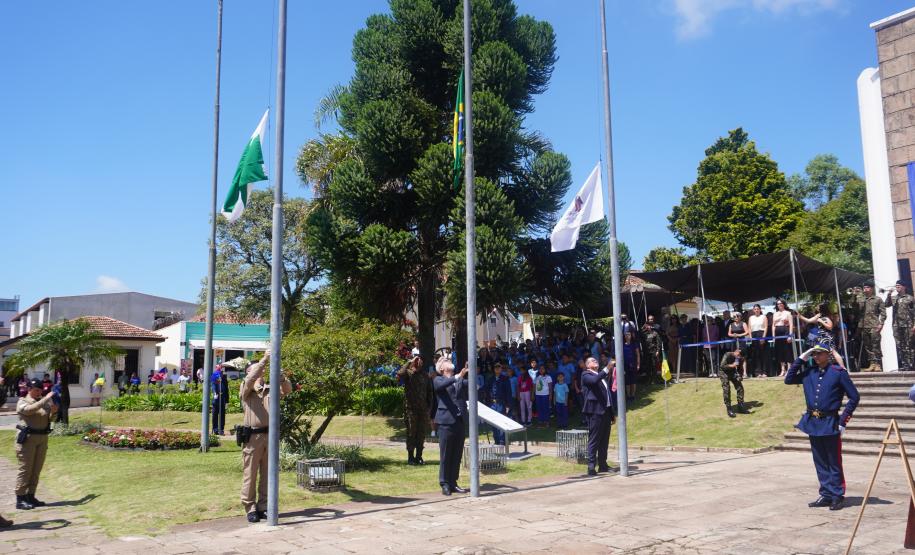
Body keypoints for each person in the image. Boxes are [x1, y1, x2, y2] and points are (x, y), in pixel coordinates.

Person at [785, 344, 860, 511]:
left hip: (830, 422)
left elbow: (854, 397)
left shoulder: (838, 373)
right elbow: (788, 379)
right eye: (814, 354)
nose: (816, 356)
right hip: (813, 422)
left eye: (819, 354)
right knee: (819, 460)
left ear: (828, 355)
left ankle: (837, 495)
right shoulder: (810, 371)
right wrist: (801, 358)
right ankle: (826, 493)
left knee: (833, 461)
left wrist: (842, 422)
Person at [239, 350, 292, 523]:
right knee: (250, 474)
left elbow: (288, 389)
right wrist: (264, 360)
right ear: (249, 373)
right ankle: (250, 507)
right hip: (252, 438)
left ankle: (263, 507)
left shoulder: (271, 389)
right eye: (257, 371)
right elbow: (250, 379)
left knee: (268, 474)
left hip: (270, 436)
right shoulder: (246, 390)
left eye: (262, 372)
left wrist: (281, 375)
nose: (261, 373)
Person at [15, 378, 58, 510]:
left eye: (41, 390)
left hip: (42, 438)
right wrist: (45, 399)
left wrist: (54, 412)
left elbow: (49, 419)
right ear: (29, 389)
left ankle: (31, 495)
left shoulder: (43, 402)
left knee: (36, 469)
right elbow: (29, 410)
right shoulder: (23, 401)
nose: (39, 392)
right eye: (36, 390)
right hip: (27, 439)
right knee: (26, 469)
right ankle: (20, 498)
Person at [433, 357, 469, 496]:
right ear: (442, 368)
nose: (449, 360)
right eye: (445, 360)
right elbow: (442, 385)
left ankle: (453, 482)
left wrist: (469, 371)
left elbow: (472, 385)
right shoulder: (438, 379)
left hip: (459, 421)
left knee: (457, 454)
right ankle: (445, 483)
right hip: (446, 422)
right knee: (446, 454)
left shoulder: (458, 379)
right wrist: (458, 376)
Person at [581, 356, 614, 475]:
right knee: (594, 439)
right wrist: (607, 368)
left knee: (604, 440)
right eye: (592, 361)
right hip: (594, 412)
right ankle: (591, 466)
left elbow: (607, 396)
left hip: (605, 412)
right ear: (587, 365)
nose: (596, 361)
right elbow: (594, 381)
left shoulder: (601, 377)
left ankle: (603, 465)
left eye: (596, 360)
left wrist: (611, 414)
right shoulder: (586, 375)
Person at [397, 355, 433, 465]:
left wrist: (429, 408)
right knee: (411, 433)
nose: (419, 362)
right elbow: (399, 374)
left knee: (421, 433)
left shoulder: (425, 375)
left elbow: (429, 392)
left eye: (420, 360)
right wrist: (409, 361)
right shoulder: (408, 373)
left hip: (422, 409)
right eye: (417, 360)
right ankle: (411, 457)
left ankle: (419, 456)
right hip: (411, 409)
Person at [854, 279, 886, 372]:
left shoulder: (877, 299)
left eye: (867, 287)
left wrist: (881, 324)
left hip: (874, 325)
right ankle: (872, 364)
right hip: (864, 326)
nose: (865, 289)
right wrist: (855, 296)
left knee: (875, 345)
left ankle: (878, 364)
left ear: (871, 289)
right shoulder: (861, 299)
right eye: (864, 287)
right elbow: (855, 309)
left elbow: (883, 312)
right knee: (868, 346)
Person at [892, 280, 915, 371]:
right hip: (897, 325)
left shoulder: (910, 298)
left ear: (904, 287)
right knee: (900, 345)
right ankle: (904, 364)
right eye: (896, 285)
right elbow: (886, 304)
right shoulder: (894, 298)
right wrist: (889, 295)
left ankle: (911, 364)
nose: (897, 287)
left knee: (909, 345)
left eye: (899, 285)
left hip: (908, 324)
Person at [719, 348, 748, 418]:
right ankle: (729, 409)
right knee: (727, 389)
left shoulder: (740, 358)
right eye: (739, 355)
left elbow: (740, 368)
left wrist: (740, 376)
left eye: (740, 356)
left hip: (732, 373)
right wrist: (732, 365)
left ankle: (740, 406)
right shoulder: (727, 355)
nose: (739, 357)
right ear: (737, 351)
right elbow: (722, 366)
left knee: (740, 387)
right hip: (724, 372)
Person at [773, 299, 795, 376]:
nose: (779, 305)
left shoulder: (788, 313)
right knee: (779, 351)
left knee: (787, 350)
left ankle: (789, 369)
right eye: (778, 304)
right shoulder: (775, 314)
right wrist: (773, 336)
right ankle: (783, 369)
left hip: (786, 330)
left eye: (781, 303)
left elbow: (791, 325)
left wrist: (790, 335)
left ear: (784, 304)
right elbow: (773, 325)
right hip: (777, 332)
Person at [747, 304, 769, 378]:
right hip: (753, 335)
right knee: (756, 355)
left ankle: (764, 371)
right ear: (753, 310)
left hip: (761, 334)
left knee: (763, 354)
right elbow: (749, 328)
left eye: (757, 309)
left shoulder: (763, 316)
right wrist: (750, 337)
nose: (756, 310)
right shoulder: (751, 318)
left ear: (760, 309)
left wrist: (763, 337)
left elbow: (766, 327)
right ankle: (758, 372)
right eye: (755, 309)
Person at [641, 317, 663, 384]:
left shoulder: (655, 333)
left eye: (649, 326)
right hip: (647, 352)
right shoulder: (644, 334)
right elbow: (639, 335)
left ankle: (654, 379)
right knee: (647, 366)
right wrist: (643, 327)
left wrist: (658, 351)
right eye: (647, 326)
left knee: (654, 365)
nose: (648, 327)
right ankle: (648, 379)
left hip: (653, 351)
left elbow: (658, 342)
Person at [212, 369, 229, 436]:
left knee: (222, 415)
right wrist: (214, 393)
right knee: (215, 415)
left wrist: (227, 401)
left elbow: (227, 391)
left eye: (221, 372)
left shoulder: (224, 380)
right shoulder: (214, 378)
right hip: (216, 399)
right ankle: (215, 429)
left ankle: (221, 430)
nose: (221, 374)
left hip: (223, 399)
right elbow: (213, 386)